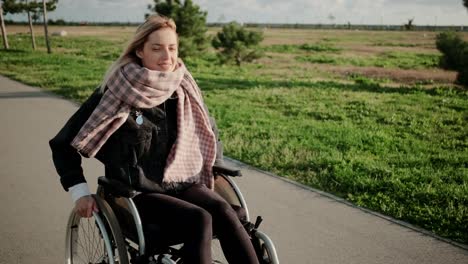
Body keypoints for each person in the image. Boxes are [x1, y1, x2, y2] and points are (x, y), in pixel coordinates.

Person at [49, 14, 259, 264]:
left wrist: (213, 166)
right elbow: (63, 144)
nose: (167, 57)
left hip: (183, 184)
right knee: (200, 218)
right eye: (156, 48)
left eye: (172, 48)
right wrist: (79, 192)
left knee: (226, 211)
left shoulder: (184, 89)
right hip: (136, 194)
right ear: (140, 50)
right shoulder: (116, 91)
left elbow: (210, 136)